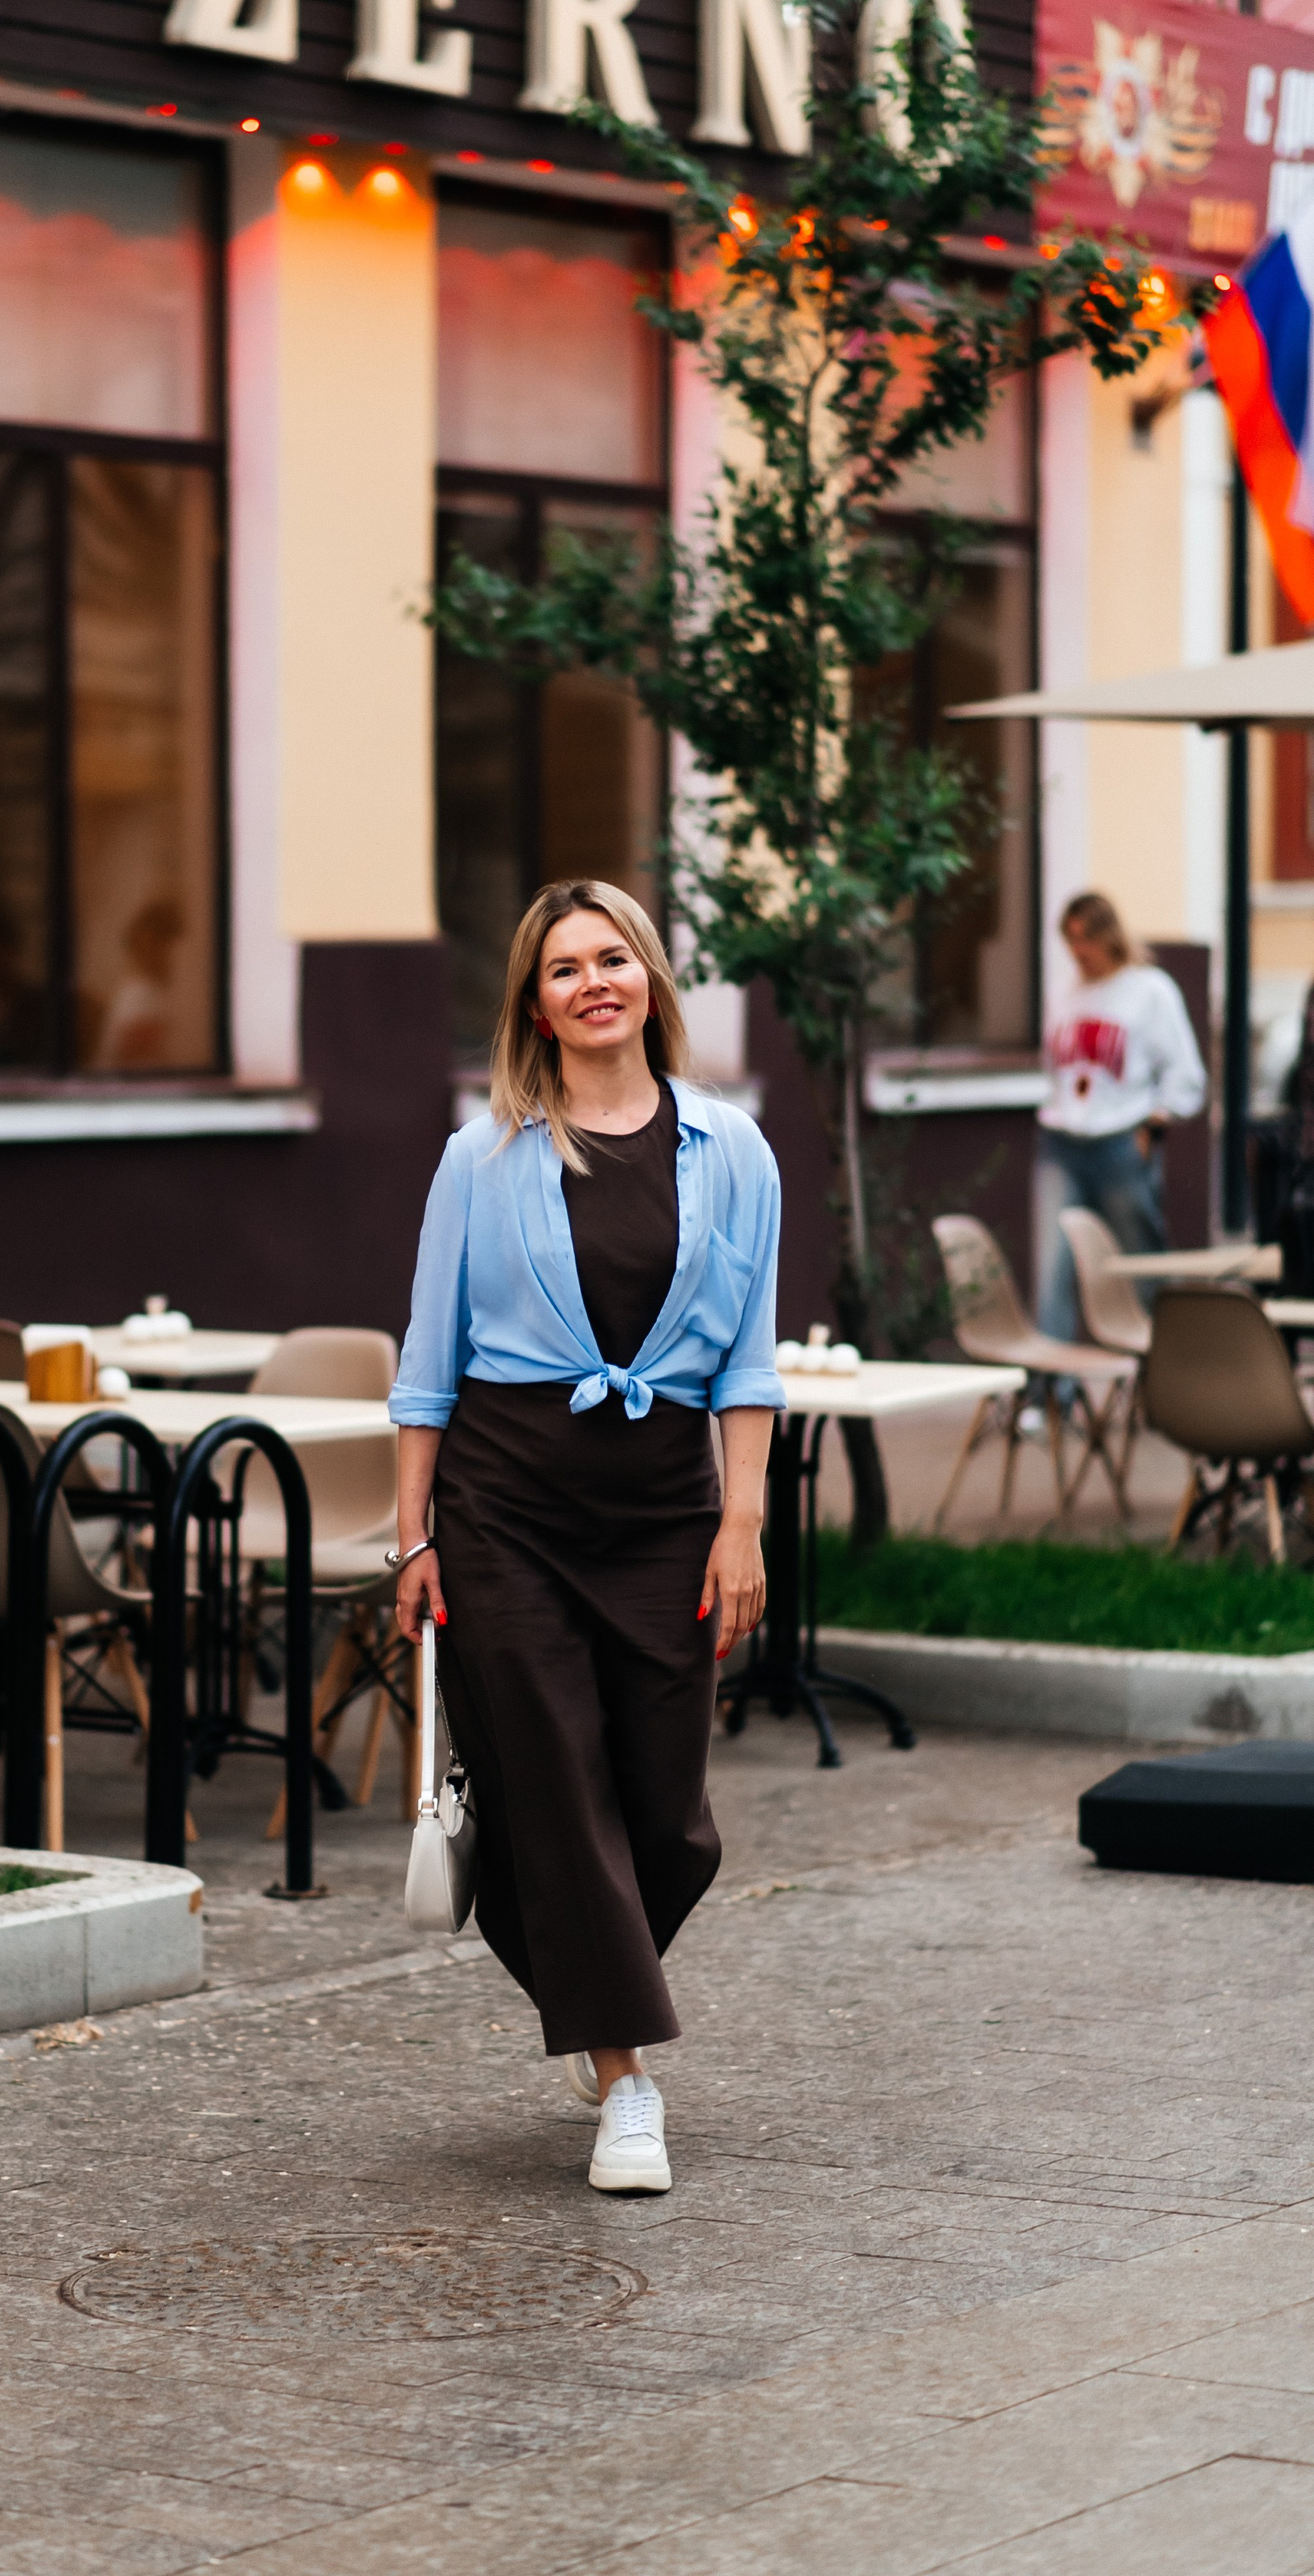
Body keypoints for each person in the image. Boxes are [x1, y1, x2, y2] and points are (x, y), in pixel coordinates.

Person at [387, 880, 784, 2198]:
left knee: (672, 1823)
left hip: (667, 1509)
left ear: (652, 981)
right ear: (535, 1004)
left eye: (613, 956)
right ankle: (626, 2076)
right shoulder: (481, 1155)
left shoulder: (735, 1152)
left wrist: (743, 1524)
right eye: (563, 967)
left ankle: (581, 1964)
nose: (592, 980)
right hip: (506, 1505)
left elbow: (748, 1368)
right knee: (555, 1775)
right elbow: (425, 1368)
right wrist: (412, 1540)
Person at [1038, 890, 1207, 1344]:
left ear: (1109, 936)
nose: (1079, 951)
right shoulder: (1064, 991)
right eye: (1070, 940)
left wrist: (1156, 1121)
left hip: (1121, 1142)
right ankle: (1049, 1395)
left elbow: (1185, 1072)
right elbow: (1052, 1067)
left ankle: (1162, 1369)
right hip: (1062, 1139)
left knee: (1139, 1259)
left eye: (1086, 939)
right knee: (1054, 1263)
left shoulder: (1148, 990)